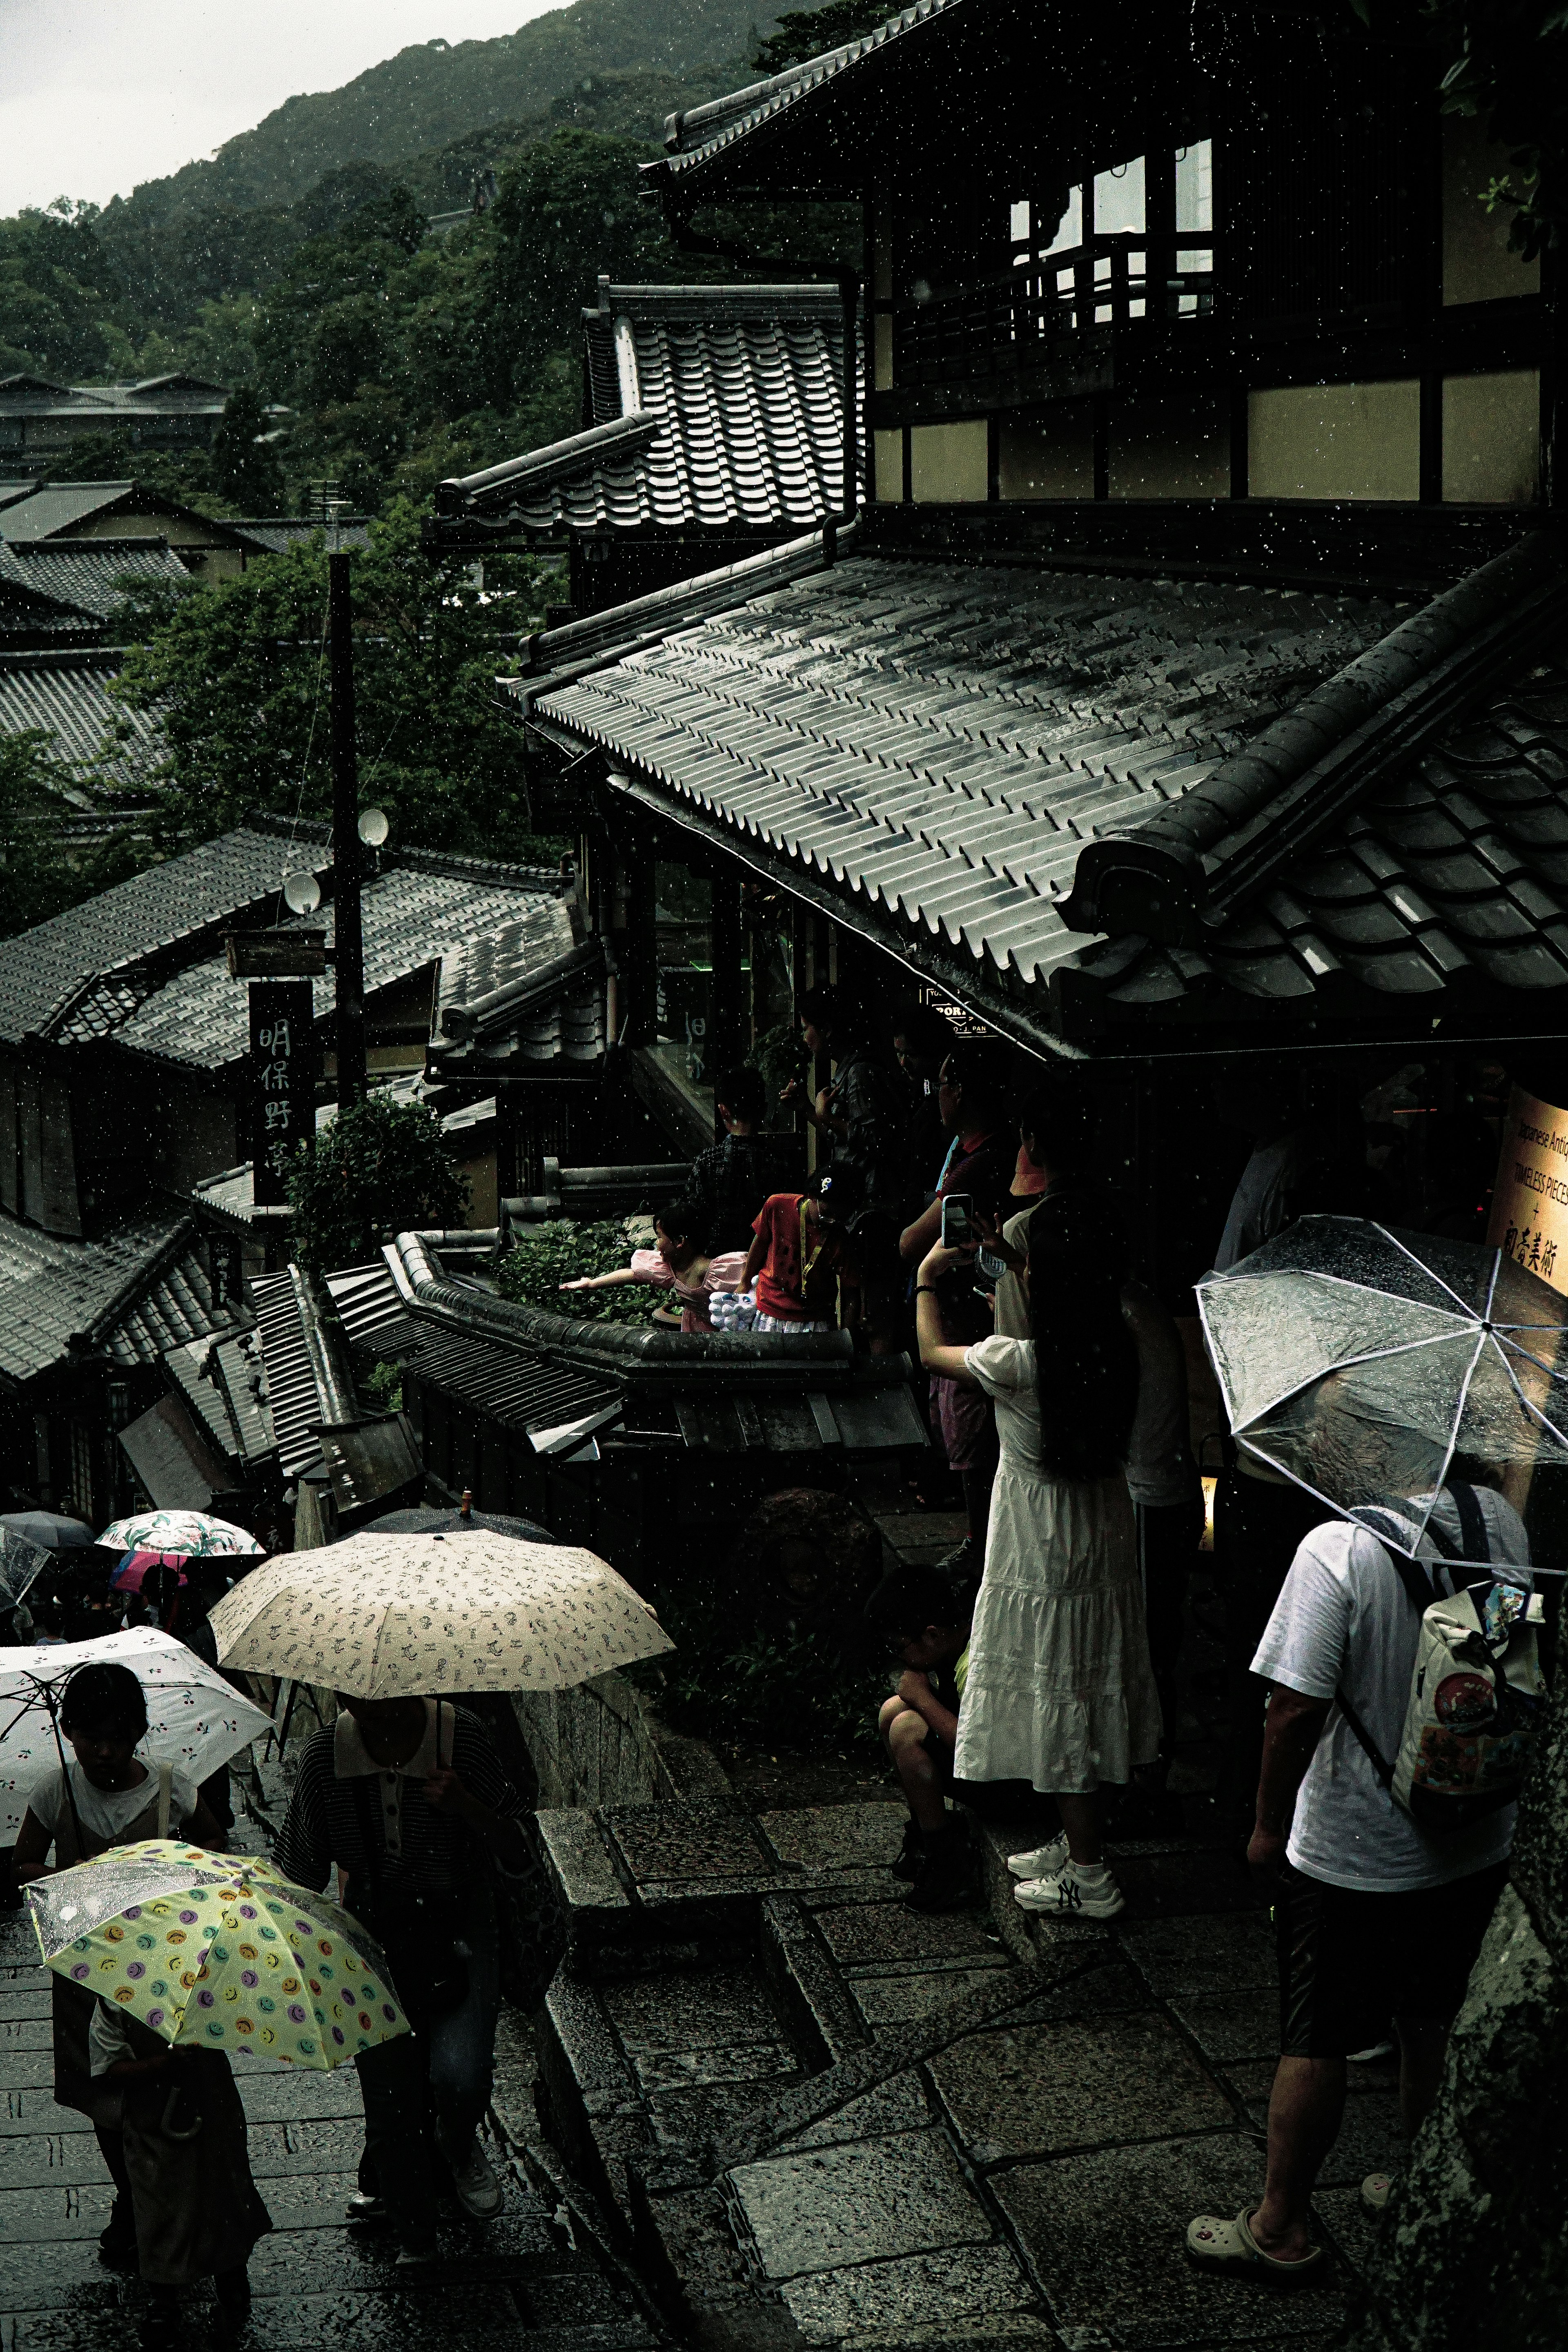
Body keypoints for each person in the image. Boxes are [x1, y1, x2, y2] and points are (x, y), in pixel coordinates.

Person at [1187, 1481, 1528, 2280]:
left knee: (1318, 2037)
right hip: (1474, 1831)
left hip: (1355, 1851)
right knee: (1432, 2018)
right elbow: (1511, 1657)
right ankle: (1422, 2185)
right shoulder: (1500, 1523)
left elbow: (1292, 1711)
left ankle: (1279, 2226)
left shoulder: (1336, 1550)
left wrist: (1267, 1826)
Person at [916, 1196, 1162, 1920]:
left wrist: (931, 1278)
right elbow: (1075, 1302)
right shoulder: (1118, 1341)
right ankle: (1077, 1839)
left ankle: (1089, 1878)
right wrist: (1026, 1268)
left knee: (1061, 1695)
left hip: (1041, 1539)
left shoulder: (1017, 1362)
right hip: (1102, 1528)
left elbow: (931, 1353)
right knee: (1093, 1680)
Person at [988, 1077, 1200, 1816]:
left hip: (1139, 1499)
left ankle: (1132, 1790)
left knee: (1120, 1651)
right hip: (1154, 1490)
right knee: (1138, 1648)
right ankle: (1134, 1781)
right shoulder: (1131, 1309)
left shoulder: (1099, 1334)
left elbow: (1021, 1365)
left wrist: (1011, 1272)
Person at [271, 1688, 531, 2263]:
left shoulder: (460, 1736)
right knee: (392, 2090)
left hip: (460, 1922)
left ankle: (456, 2146)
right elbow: (300, 1869)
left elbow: (519, 1849)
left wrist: (466, 1805)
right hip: (375, 1935)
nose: (374, 1706)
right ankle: (414, 2225)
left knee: (460, 2075)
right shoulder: (325, 1757)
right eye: (355, 1694)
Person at [13, 1660, 225, 2270]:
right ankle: (132, 2193)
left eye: (116, 1738)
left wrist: (173, 1873)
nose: (103, 1753)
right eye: (89, 1738)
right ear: (70, 1733)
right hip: (85, 1973)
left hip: (164, 1968)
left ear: (138, 1733)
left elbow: (216, 1846)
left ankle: (170, 2191)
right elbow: (22, 1868)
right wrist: (77, 1883)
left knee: (165, 2083)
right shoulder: (57, 1791)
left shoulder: (169, 1787)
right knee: (104, 2093)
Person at [901, 1043, 1016, 1581]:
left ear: (963, 1092)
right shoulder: (981, 1152)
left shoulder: (981, 1163)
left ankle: (981, 1546)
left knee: (975, 1448)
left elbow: (910, 1243)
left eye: (944, 1083)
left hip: (974, 1328)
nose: (937, 1094)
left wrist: (928, 1271)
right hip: (980, 1322)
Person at [87, 1993, 271, 2323]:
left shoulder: (211, 1992)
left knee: (222, 2195)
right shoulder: (115, 2004)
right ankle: (164, 2295)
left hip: (213, 2114)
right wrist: (164, 2065)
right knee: (157, 2203)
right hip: (152, 2126)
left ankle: (230, 2273)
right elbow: (109, 2068)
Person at [865, 1564, 978, 1913]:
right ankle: (924, 1832)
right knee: (892, 1711)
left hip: (1011, 1787)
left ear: (931, 1636)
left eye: (900, 1647)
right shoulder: (948, 1647)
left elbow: (976, 1749)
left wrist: (925, 1700)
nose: (899, 1657)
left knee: (907, 1729)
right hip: (980, 1765)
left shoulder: (974, 1665)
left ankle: (947, 1862)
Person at [780, 986, 906, 1209]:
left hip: (872, 1205)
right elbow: (844, 1138)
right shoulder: (847, 1071)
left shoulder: (860, 1074)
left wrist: (828, 1118)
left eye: (806, 1028)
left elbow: (879, 1142)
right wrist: (808, 1110)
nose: (805, 1038)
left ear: (827, 1030)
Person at [559, 1197, 746, 1333]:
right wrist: (592, 1284)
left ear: (679, 1241)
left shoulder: (714, 1271)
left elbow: (749, 1294)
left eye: (659, 1237)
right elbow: (632, 1275)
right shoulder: (669, 1269)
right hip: (694, 1329)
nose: (656, 1244)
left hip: (724, 1331)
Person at [743, 1164, 863, 1334]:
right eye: (826, 1214)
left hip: (815, 1321)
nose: (832, 1222)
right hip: (769, 1310)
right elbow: (760, 1243)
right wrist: (744, 1282)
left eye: (841, 1218)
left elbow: (851, 1293)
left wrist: (846, 1336)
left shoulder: (842, 1240)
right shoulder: (777, 1205)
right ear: (811, 1197)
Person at [688, 1067, 773, 1251]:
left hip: (716, 1261)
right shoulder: (779, 1162)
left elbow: (692, 1216)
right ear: (764, 1110)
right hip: (767, 1263)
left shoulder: (708, 1161)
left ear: (723, 1111)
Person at [891, 1002, 953, 1190]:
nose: (903, 1063)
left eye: (911, 1054)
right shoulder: (912, 1094)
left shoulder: (941, 1102)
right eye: (899, 1053)